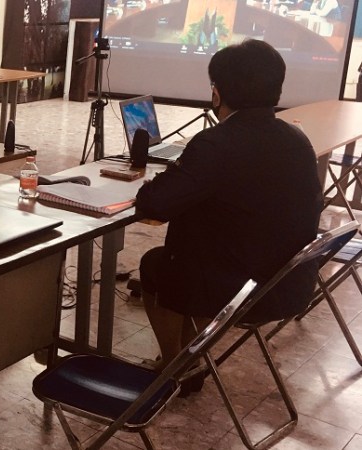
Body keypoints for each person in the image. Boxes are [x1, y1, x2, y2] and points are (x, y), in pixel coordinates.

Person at [134, 39, 322, 386]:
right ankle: (189, 361)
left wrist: (171, 173)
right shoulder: (297, 140)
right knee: (196, 258)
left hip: (239, 289)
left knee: (157, 264)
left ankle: (175, 369)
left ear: (217, 93)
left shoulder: (216, 143)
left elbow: (154, 204)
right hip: (291, 282)